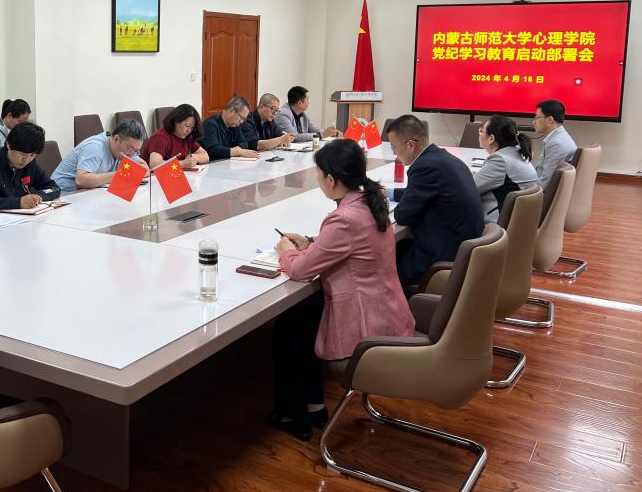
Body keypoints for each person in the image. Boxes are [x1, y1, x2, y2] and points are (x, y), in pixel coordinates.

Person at [269, 139, 415, 440]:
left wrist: (286, 251)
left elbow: (300, 270)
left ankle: (292, 414)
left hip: (367, 329)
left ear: (331, 179)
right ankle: (312, 407)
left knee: (291, 325)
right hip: (387, 314)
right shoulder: (369, 202)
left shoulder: (344, 219)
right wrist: (312, 243)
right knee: (303, 317)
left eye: (318, 174)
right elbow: (349, 248)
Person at [387, 114, 484, 287]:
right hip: (463, 250)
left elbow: (403, 216)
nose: (394, 152)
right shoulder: (443, 159)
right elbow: (421, 192)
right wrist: (389, 193)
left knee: (380, 263)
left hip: (442, 259)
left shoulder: (424, 167)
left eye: (394, 146)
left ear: (410, 145)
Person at [476, 116, 539, 223]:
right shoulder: (518, 152)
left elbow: (469, 189)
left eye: (482, 130)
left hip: (498, 223)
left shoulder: (499, 160)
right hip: (520, 220)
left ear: (491, 138)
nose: (480, 133)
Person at [52, 120, 146, 192]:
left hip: (89, 194)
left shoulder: (127, 151)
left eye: (136, 150)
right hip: (63, 195)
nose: (132, 154)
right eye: (130, 149)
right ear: (116, 139)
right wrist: (121, 174)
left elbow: (144, 168)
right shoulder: (95, 147)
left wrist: (128, 173)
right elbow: (81, 181)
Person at [141, 103, 209, 168]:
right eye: (187, 125)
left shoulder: (187, 137)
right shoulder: (160, 137)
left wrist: (193, 157)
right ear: (176, 121)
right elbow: (154, 164)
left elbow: (205, 156)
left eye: (192, 128)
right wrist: (182, 164)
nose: (189, 130)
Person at [532, 99, 578, 189]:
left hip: (540, 193)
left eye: (537, 118)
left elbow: (545, 182)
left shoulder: (556, 144)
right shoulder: (561, 137)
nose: (534, 122)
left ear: (550, 120)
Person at [200, 96, 259, 160]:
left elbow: (244, 143)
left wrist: (237, 150)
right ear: (232, 110)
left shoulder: (235, 125)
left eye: (244, 119)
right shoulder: (210, 124)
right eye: (241, 117)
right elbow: (212, 150)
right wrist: (238, 152)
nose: (241, 122)